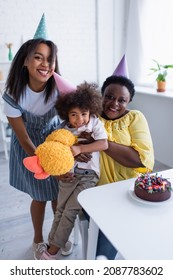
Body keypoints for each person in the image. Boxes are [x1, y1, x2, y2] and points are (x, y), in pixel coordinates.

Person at [2, 38, 71, 260]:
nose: (45, 64)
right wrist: (47, 163)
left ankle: (58, 237)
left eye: (50, 59)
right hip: (29, 149)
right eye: (38, 57)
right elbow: (23, 138)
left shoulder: (59, 90)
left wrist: (63, 155)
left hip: (53, 144)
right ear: (24, 61)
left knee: (57, 196)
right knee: (40, 196)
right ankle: (37, 239)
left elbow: (70, 123)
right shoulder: (13, 95)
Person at [76, 75, 154, 259]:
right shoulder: (89, 118)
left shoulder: (135, 118)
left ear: (129, 101)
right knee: (106, 231)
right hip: (93, 192)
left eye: (122, 100)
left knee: (123, 224)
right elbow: (73, 147)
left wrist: (99, 142)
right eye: (109, 96)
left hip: (128, 191)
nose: (114, 103)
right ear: (101, 96)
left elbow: (140, 160)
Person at [39, 82, 108, 260]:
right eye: (73, 115)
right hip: (69, 175)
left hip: (89, 176)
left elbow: (103, 144)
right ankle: (51, 243)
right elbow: (57, 152)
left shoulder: (94, 124)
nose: (79, 120)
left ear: (91, 111)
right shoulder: (64, 129)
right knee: (60, 209)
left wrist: (79, 149)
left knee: (70, 211)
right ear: (66, 114)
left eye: (83, 114)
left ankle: (52, 251)